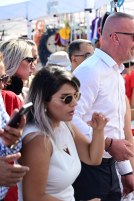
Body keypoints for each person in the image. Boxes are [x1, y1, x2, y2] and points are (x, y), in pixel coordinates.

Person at [72, 12, 134, 201]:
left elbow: (115, 128)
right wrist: (109, 144)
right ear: (116, 37)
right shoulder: (91, 70)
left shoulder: (115, 74)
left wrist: (125, 171)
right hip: (88, 168)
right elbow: (70, 119)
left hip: (108, 167)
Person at [17, 66, 108, 201]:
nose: (75, 103)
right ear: (44, 101)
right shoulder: (38, 140)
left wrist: (98, 130)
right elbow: (33, 197)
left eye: (76, 95)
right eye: (67, 99)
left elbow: (92, 158)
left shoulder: (64, 123)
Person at [0, 52, 29, 200]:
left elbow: (7, 149)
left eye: (3, 78)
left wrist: (13, 141)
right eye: (29, 60)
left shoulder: (3, 99)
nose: (2, 85)